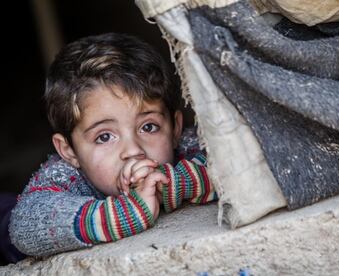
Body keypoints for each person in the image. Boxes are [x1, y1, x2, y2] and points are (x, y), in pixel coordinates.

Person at [8, 33, 217, 258]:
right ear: (68, 150)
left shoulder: (189, 145)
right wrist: (124, 213)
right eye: (105, 137)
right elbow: (23, 224)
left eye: (148, 127)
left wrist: (173, 183)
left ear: (175, 128)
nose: (133, 150)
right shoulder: (65, 175)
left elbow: (236, 164)